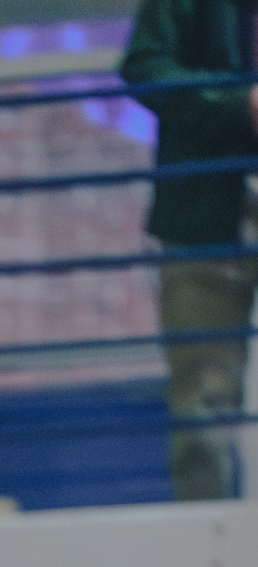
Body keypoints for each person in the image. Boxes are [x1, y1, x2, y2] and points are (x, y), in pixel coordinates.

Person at [122, 0, 258, 500]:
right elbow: (144, 66)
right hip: (203, 211)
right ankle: (206, 554)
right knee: (201, 408)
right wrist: (238, 105)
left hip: (201, 206)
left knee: (202, 405)